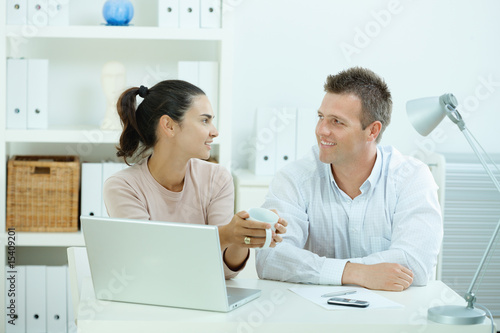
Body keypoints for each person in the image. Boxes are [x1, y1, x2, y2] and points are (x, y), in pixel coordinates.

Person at [255, 67, 443, 291]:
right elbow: (269, 258)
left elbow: (415, 264)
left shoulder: (411, 177)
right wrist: (356, 273)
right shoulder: (294, 178)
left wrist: (316, 269)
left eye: (337, 122)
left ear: (372, 131)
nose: (321, 130)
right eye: (321, 117)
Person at [103, 80, 287, 278]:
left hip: (206, 297)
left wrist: (241, 237)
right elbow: (150, 261)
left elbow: (225, 272)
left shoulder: (217, 178)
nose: (215, 131)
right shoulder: (123, 187)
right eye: (204, 120)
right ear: (169, 126)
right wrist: (225, 234)